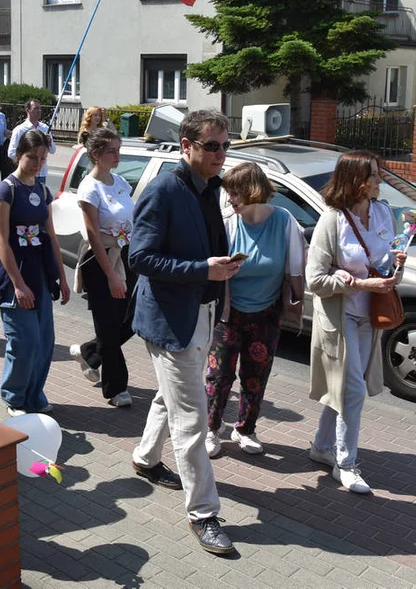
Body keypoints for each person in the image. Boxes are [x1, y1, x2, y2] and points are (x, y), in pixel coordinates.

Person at [128, 109, 242, 556]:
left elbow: (204, 248)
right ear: (187, 147)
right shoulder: (164, 190)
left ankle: (144, 458)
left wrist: (223, 262)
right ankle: (203, 513)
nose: (221, 153)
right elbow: (140, 258)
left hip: (202, 312)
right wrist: (202, 269)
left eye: (225, 145)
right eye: (212, 146)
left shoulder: (210, 188)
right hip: (169, 320)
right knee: (191, 419)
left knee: (171, 396)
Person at [306, 149, 406, 494]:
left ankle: (321, 447)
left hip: (371, 317)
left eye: (379, 174)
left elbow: (387, 262)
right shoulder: (332, 220)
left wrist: (397, 268)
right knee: (353, 392)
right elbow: (315, 280)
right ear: (356, 181)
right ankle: (345, 465)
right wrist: (360, 284)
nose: (380, 181)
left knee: (348, 389)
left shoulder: (382, 213)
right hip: (341, 317)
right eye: (374, 176)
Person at [204, 162, 306, 457]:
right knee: (219, 375)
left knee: (256, 375)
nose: (230, 200)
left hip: (266, 314)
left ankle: (245, 429)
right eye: (228, 193)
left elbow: (295, 269)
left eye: (235, 193)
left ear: (253, 191)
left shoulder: (285, 222)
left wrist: (295, 304)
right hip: (229, 315)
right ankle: (212, 429)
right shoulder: (227, 224)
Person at [0, 129, 70, 416]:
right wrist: (18, 284)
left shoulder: (42, 190)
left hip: (39, 273)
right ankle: (14, 396)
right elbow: (0, 240)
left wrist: (62, 276)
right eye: (31, 157)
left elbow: (51, 236)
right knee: (25, 340)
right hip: (15, 275)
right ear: (18, 156)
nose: (37, 163)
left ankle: (35, 394)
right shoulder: (6, 191)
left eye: (42, 158)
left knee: (44, 341)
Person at [69, 128, 136, 408]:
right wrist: (110, 274)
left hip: (126, 254)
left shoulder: (120, 181)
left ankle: (89, 352)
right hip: (100, 259)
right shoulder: (89, 188)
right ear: (96, 155)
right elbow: (93, 234)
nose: (118, 155)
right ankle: (116, 387)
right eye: (112, 150)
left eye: (119, 149)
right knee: (108, 325)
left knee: (132, 320)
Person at [7, 99, 56, 180]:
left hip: (41, 174)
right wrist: (26, 160)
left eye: (40, 108)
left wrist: (49, 142)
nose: (39, 111)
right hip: (27, 174)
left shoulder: (45, 128)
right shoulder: (20, 130)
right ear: (27, 110)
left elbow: (53, 150)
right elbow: (11, 153)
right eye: (36, 108)